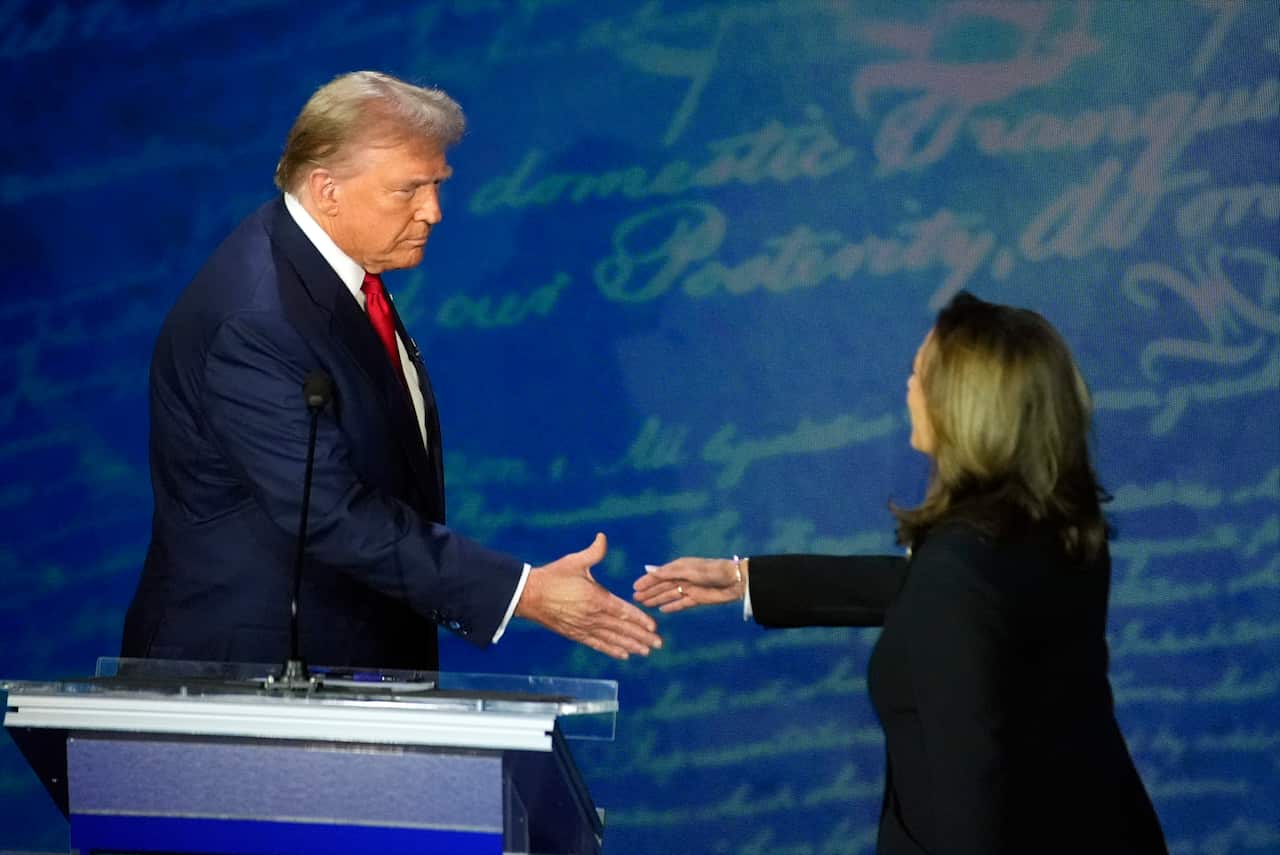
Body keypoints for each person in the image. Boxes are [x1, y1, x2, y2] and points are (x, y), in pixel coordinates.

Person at [121, 71, 660, 670]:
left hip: (341, 664)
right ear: (328, 190)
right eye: (409, 190)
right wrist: (522, 593)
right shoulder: (257, 319)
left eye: (437, 185)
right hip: (250, 680)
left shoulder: (333, 274)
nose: (433, 211)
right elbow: (331, 512)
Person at [634, 293, 1167, 854]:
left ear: (962, 408)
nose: (908, 388)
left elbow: (972, 801)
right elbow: (933, 596)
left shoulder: (961, 567)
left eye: (918, 375)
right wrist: (746, 580)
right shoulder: (1056, 527)